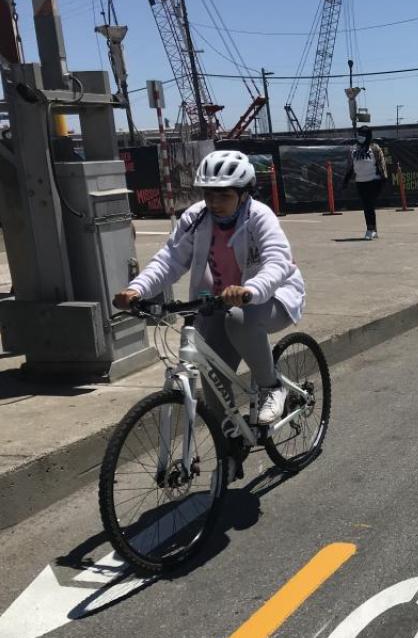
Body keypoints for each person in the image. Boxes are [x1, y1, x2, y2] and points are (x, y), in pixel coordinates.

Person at [113, 150, 306, 474]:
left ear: (244, 194)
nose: (215, 203)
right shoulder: (197, 218)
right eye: (208, 194)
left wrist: (251, 290)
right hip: (218, 301)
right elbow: (170, 260)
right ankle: (230, 447)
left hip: (270, 296)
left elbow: (277, 261)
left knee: (240, 319)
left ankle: (272, 385)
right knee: (212, 378)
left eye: (224, 195)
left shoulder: (259, 216)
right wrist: (137, 289)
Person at [343, 125, 388, 240]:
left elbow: (381, 162)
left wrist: (384, 178)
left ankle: (370, 229)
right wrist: (346, 180)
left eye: (363, 134)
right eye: (359, 134)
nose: (360, 137)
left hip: (374, 180)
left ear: (368, 136)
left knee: (369, 204)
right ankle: (374, 230)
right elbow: (350, 166)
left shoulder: (374, 148)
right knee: (367, 205)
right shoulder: (353, 149)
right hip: (360, 181)